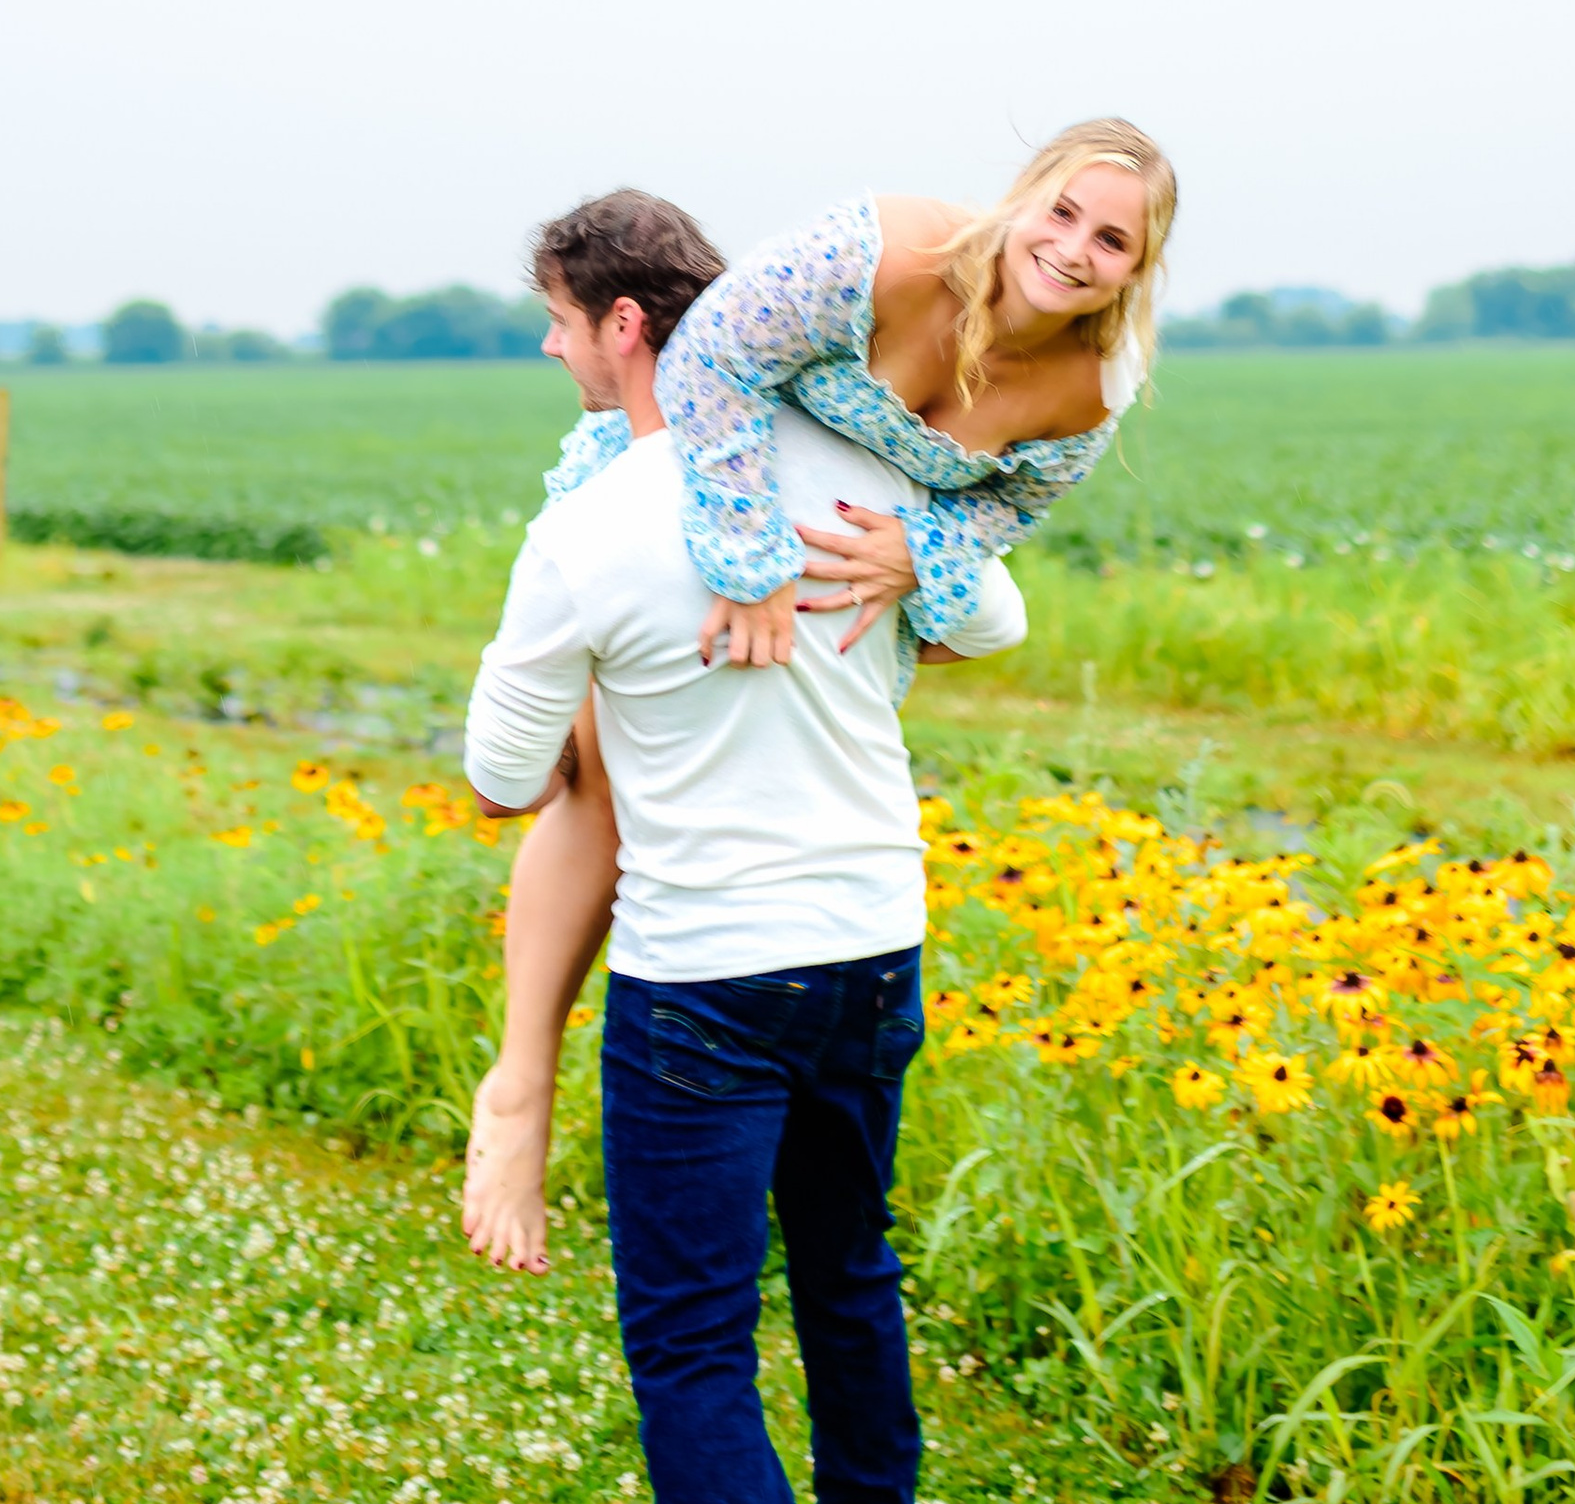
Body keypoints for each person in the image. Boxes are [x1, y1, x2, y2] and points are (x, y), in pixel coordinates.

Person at [462, 339, 1028, 1504]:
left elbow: (504, 774)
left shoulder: (588, 525)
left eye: (558, 321)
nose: (548, 348)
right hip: (872, 945)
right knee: (851, 1275)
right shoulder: (854, 462)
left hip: (706, 977)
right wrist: (918, 566)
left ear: (625, 331)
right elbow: (997, 611)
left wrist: (594, 680)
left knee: (694, 1347)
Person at [462, 125, 1174, 1273]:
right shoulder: (885, 248)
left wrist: (919, 562)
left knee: (761, 766)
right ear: (1018, 199)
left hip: (851, 545)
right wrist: (751, 563)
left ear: (1140, 267)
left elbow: (1000, 517)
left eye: (1111, 238)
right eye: (1059, 211)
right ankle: (522, 1082)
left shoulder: (1092, 388)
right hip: (721, 467)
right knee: (599, 780)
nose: (1074, 248)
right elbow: (707, 367)